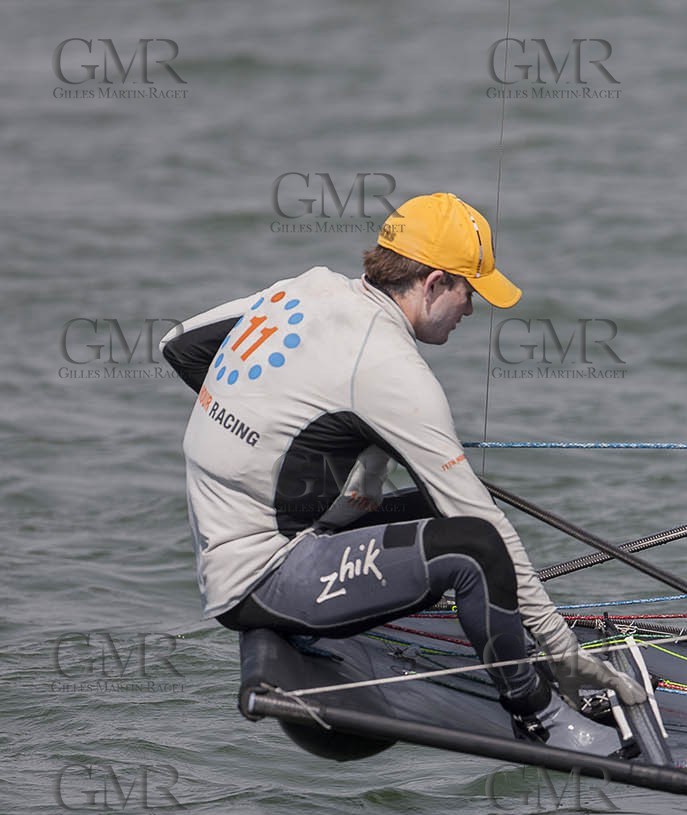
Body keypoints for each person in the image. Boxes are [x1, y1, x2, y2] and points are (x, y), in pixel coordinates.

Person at [161, 191, 644, 742]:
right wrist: (566, 654)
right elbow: (489, 533)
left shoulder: (306, 288)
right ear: (435, 283)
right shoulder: (390, 368)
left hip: (239, 540)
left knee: (428, 508)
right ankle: (541, 713)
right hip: (258, 578)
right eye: (469, 292)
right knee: (475, 547)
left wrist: (274, 443)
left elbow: (179, 346)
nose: (471, 309)